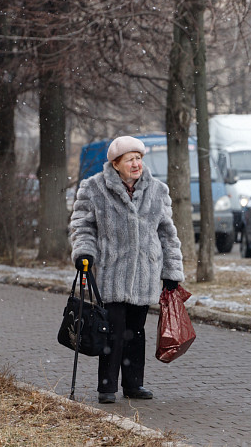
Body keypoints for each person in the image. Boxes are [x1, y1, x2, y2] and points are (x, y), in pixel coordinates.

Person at [69, 135, 185, 403]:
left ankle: (133, 385)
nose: (136, 164)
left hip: (145, 273)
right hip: (112, 272)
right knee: (112, 328)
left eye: (139, 158)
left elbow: (168, 235)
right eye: (130, 159)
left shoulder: (158, 190)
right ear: (116, 163)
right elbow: (83, 227)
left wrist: (171, 272)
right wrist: (84, 253)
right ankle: (107, 388)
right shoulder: (94, 188)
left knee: (136, 330)